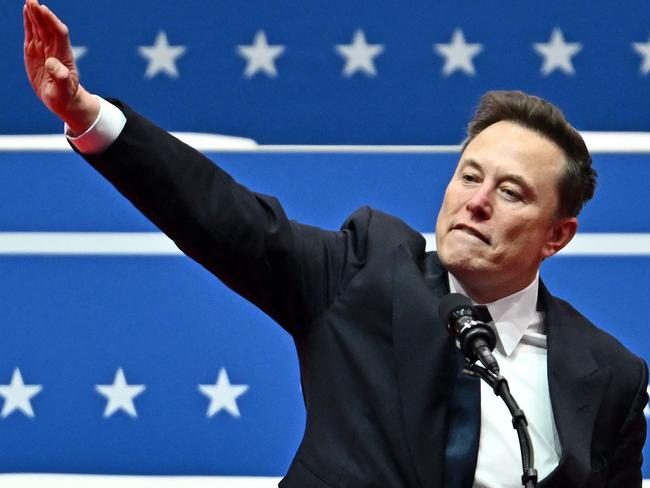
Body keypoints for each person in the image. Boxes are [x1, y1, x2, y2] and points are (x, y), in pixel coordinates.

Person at [23, 0, 648, 486]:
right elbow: (222, 216)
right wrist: (85, 115)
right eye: (469, 175)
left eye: (511, 192)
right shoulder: (365, 272)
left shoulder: (611, 376)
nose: (476, 201)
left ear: (558, 235)